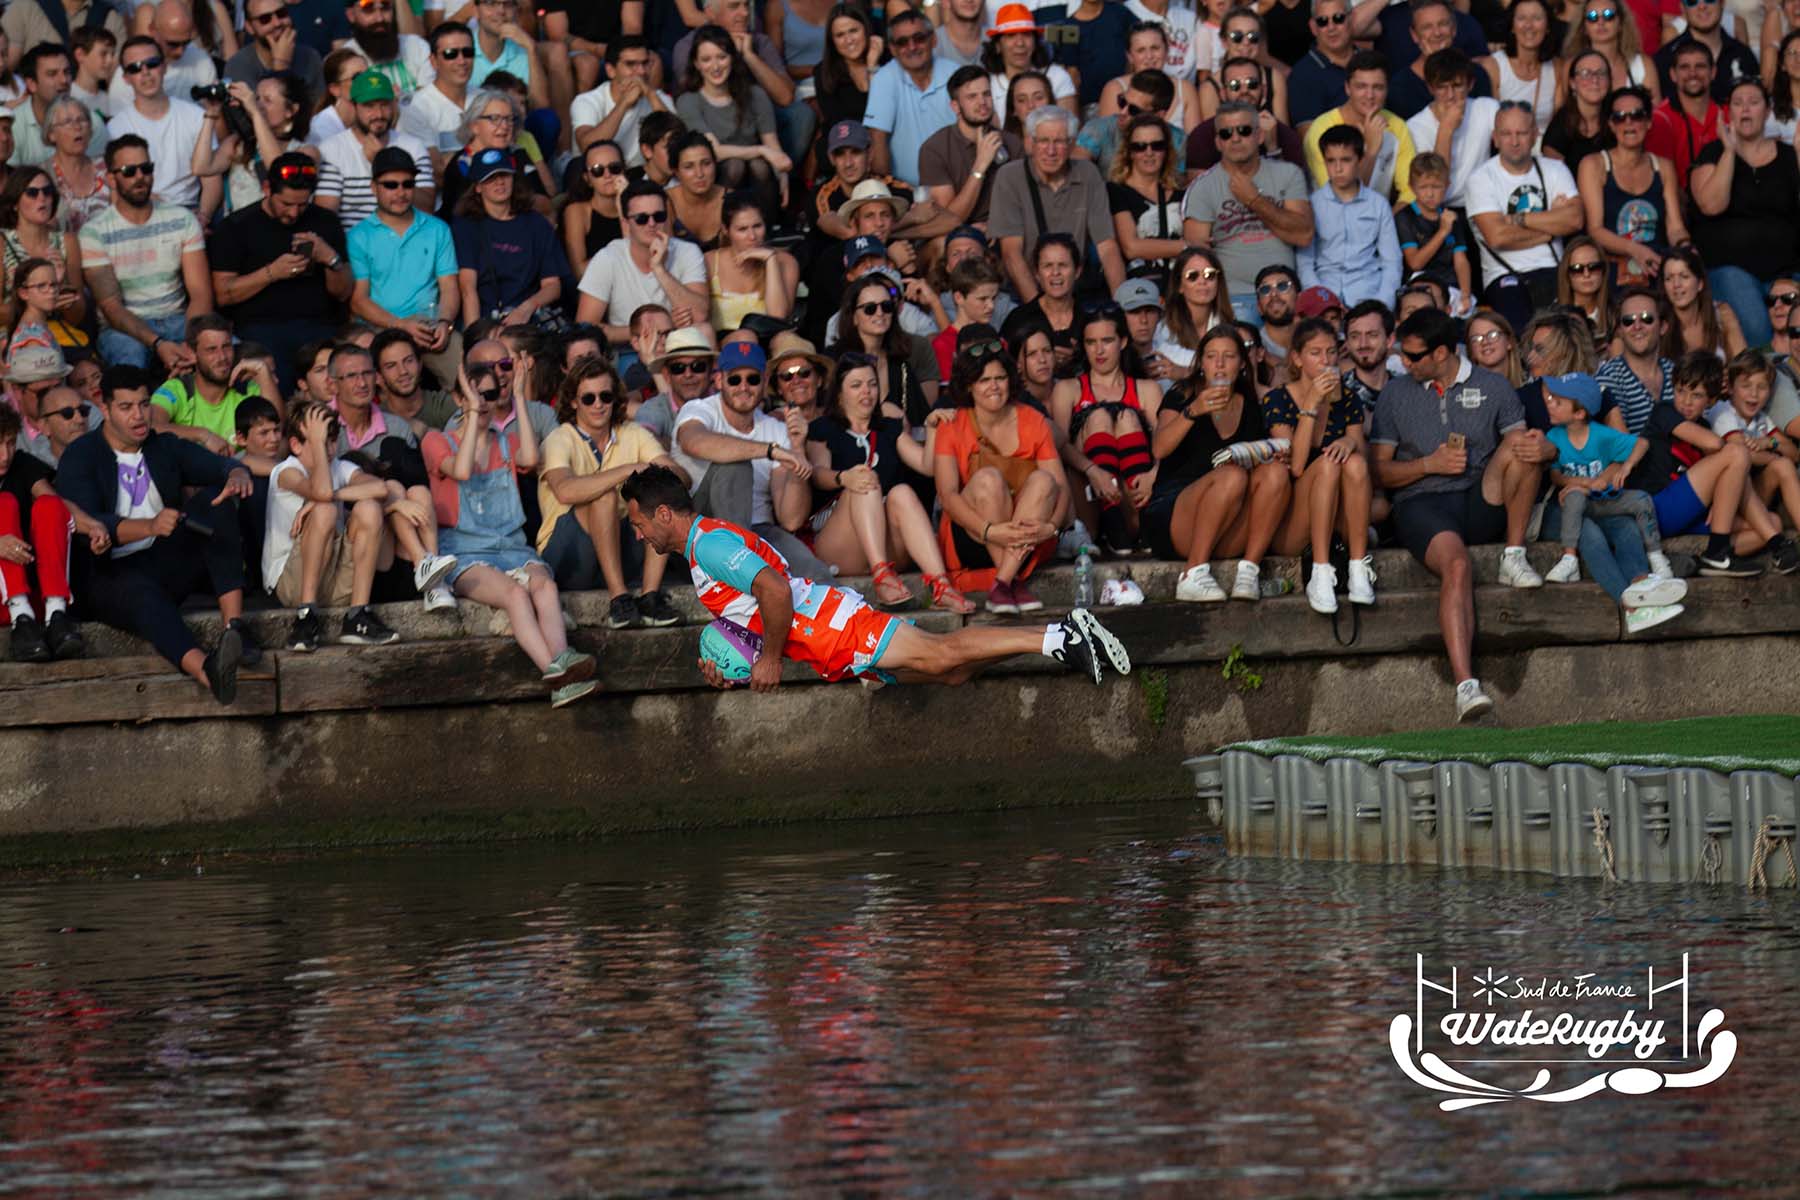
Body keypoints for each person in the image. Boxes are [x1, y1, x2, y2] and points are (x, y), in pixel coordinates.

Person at [622, 462, 1127, 690]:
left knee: (943, 652)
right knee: (950, 671)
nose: (640, 535)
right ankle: (1059, 639)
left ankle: (1062, 634)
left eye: (639, 522)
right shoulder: (700, 547)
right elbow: (749, 613)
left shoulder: (707, 544)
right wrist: (730, 661)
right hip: (827, 642)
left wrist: (770, 660)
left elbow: (773, 589)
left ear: (664, 513)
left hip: (833, 628)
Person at [1371, 307, 1550, 721]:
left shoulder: (1493, 386)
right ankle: (1466, 686)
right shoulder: (1396, 394)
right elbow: (1376, 470)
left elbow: (1525, 451)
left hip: (1479, 497)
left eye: (1413, 356)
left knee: (1522, 446)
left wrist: (1544, 446)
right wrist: (1426, 466)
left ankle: (1514, 555)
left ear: (1441, 353)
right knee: (1456, 564)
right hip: (1422, 505)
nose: (1403, 362)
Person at [56, 365, 257, 703]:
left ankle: (234, 630)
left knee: (218, 501)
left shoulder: (162, 446)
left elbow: (216, 465)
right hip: (107, 574)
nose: (139, 416)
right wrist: (148, 527)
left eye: (144, 404)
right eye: (126, 407)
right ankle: (207, 671)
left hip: (165, 559)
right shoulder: (82, 455)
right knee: (140, 593)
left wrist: (236, 472)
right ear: (104, 408)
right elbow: (89, 522)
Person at [422, 360, 598, 706]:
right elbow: (459, 470)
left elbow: (531, 459)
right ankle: (553, 672)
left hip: (512, 547)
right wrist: (472, 414)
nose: (486, 402)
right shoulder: (436, 440)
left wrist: (518, 394)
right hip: (465, 551)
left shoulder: (507, 440)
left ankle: (564, 663)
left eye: (491, 394)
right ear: (460, 399)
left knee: (544, 586)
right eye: (477, 395)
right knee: (516, 596)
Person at [804, 354, 974, 612]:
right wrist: (844, 477)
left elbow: (927, 467)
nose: (867, 392)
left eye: (872, 384)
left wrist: (931, 429)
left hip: (887, 541)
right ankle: (881, 577)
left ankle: (941, 586)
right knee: (864, 481)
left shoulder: (889, 427)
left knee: (902, 492)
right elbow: (817, 473)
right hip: (839, 540)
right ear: (839, 394)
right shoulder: (823, 428)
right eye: (856, 385)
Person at [536, 354, 683, 627]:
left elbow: (680, 479)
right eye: (588, 398)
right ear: (573, 401)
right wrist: (629, 470)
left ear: (615, 398)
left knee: (660, 494)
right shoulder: (560, 437)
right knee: (603, 497)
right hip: (567, 554)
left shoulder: (632, 432)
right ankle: (619, 600)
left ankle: (650, 597)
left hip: (622, 548)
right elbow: (565, 491)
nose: (598, 405)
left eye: (605, 396)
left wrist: (645, 489)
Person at [1148, 325, 1291, 600]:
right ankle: (1193, 574)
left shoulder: (1251, 403)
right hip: (1176, 512)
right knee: (1231, 475)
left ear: (1242, 363)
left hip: (1227, 517)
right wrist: (1193, 411)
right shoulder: (1183, 394)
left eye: (1229, 356)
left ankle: (1249, 572)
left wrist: (1274, 453)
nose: (1220, 364)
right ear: (1201, 363)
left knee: (1275, 472)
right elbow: (1160, 448)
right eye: (1212, 356)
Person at [264, 400, 419, 650]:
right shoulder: (286, 471)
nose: (327, 448)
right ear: (296, 445)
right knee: (324, 510)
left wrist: (333, 496)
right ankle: (305, 616)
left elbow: (380, 487)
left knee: (368, 507)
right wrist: (324, 498)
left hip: (335, 581)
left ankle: (357, 615)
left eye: (331, 439)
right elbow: (321, 492)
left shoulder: (342, 467)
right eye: (318, 440)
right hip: (292, 584)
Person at [672, 338, 832, 580]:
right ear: (718, 381)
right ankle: (737, 574)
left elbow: (791, 519)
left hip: (758, 532)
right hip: (701, 529)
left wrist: (797, 449)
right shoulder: (699, 409)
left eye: (753, 379)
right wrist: (769, 450)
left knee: (814, 574)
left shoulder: (775, 429)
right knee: (735, 467)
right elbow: (693, 441)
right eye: (735, 379)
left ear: (765, 382)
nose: (744, 387)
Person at [932, 340, 1065, 612]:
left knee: (1044, 480)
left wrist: (1050, 528)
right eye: (984, 380)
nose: (994, 386)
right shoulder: (952, 425)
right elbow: (947, 496)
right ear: (969, 385)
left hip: (1029, 534)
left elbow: (1060, 488)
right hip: (975, 535)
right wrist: (990, 530)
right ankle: (1011, 583)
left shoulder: (1032, 419)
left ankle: (1003, 583)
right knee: (988, 479)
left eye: (1000, 378)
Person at [1537, 370, 1682, 610]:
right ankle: (1630, 606)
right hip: (1568, 509)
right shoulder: (1553, 436)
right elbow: (1555, 475)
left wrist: (1624, 467)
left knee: (1627, 526)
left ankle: (1644, 581)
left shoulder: (1600, 434)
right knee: (1589, 531)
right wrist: (1583, 484)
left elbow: (1641, 443)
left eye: (1558, 401)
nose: (1550, 404)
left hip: (1601, 503)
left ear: (1580, 413)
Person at [208, 153, 352, 394]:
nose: (294, 213)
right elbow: (223, 294)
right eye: (286, 204)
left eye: (302, 204)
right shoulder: (236, 227)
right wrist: (271, 273)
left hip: (317, 326)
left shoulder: (325, 222)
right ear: (266, 189)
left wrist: (330, 258)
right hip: (260, 328)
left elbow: (343, 292)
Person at [1628, 349, 1782, 572]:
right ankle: (1718, 550)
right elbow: (1714, 445)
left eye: (1696, 395)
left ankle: (1703, 559)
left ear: (1710, 400)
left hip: (1689, 514)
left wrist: (1717, 503)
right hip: (1655, 509)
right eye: (1680, 391)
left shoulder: (1706, 425)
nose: (1686, 402)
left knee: (1772, 524)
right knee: (1735, 453)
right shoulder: (1664, 411)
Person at [1260, 316, 1376, 612]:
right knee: (1327, 464)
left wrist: (1350, 442)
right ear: (1297, 359)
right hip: (1294, 519)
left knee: (1353, 463)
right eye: (1315, 353)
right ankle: (1321, 572)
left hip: (1340, 512)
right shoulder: (1278, 399)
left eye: (1331, 352)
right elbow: (1296, 467)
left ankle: (1358, 567)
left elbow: (1363, 468)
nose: (1326, 361)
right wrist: (1310, 405)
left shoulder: (1347, 399)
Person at [81, 134, 211, 374]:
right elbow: (112, 308)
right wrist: (158, 343)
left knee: (224, 353)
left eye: (146, 168)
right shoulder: (94, 232)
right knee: (130, 364)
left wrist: (191, 343)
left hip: (178, 320)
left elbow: (201, 293)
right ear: (111, 178)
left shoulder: (181, 219)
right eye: (129, 171)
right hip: (123, 328)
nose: (140, 176)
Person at [1690, 79, 1800, 350]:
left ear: (1767, 110)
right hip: (1731, 267)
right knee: (1758, 331)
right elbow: (1711, 205)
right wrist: (1730, 151)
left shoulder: (1788, 155)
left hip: (1787, 267)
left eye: (1753, 102)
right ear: (1729, 113)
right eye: (1737, 104)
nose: (1745, 110)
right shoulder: (1713, 153)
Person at [1183, 99, 1313, 325]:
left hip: (1284, 291)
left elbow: (1303, 235)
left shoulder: (1288, 174)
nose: (1235, 138)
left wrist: (1253, 199)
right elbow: (1199, 256)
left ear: (1259, 136)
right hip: (1233, 297)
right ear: (1218, 142)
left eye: (1244, 131)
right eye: (1226, 133)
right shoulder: (1202, 187)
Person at [347, 145, 459, 386]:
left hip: (429, 325)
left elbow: (449, 287)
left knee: (467, 380)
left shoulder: (437, 229)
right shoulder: (358, 236)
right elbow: (358, 300)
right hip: (380, 327)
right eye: (390, 185)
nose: (400, 192)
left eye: (407, 184)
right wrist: (400, 325)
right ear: (373, 187)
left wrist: (444, 322)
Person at [1465, 103, 1583, 329]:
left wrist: (1518, 220)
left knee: (1569, 330)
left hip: (1553, 269)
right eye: (1506, 134)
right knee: (1524, 333)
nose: (1515, 141)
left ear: (1535, 135)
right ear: (1495, 138)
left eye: (1521, 133)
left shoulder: (1554, 169)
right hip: (1505, 275)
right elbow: (1498, 237)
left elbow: (1575, 220)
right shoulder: (1481, 179)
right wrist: (1550, 228)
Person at [675, 25, 790, 223]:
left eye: (722, 57)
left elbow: (772, 143)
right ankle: (724, 226)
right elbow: (714, 151)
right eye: (706, 59)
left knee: (760, 166)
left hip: (756, 175)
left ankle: (769, 225)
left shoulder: (755, 95)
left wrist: (782, 174)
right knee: (736, 166)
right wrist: (761, 150)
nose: (716, 66)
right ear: (696, 63)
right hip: (719, 175)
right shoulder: (688, 101)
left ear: (732, 59)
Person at [0, 403, 87, 662]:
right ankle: (20, 617)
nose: (5, 455)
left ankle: (56, 615)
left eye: (10, 443)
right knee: (3, 504)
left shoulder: (22, 464)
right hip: (5, 603)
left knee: (49, 506)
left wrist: (92, 526)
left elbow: (53, 502)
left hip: (36, 595)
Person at [574, 177, 705, 350]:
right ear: (626, 223)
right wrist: (649, 331)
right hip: (629, 349)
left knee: (705, 330)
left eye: (659, 216)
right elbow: (585, 329)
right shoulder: (608, 257)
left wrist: (659, 269)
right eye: (642, 219)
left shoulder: (688, 251)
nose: (652, 224)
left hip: (677, 346)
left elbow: (700, 315)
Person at [451, 147, 565, 330]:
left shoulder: (536, 224)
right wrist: (474, 340)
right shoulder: (466, 227)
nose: (499, 183)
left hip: (529, 321)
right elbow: (468, 290)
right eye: (490, 178)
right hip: (486, 319)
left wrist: (526, 308)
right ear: (478, 187)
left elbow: (552, 285)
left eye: (504, 175)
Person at [106, 35, 214, 218]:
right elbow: (118, 189)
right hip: (142, 213)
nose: (145, 72)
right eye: (135, 68)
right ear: (125, 78)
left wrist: (203, 218)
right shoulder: (115, 128)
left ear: (164, 67)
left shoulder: (196, 115)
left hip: (193, 212)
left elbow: (212, 177)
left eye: (152, 63)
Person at [314, 69, 433, 233]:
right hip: (352, 248)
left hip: (404, 243)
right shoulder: (332, 149)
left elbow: (427, 208)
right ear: (354, 106)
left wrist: (383, 164)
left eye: (384, 105)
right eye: (369, 106)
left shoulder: (414, 148)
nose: (378, 114)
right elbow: (325, 216)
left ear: (393, 105)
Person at [1296, 125, 1399, 308]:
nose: (1338, 168)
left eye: (1345, 160)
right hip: (1324, 297)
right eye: (1331, 161)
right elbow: (1305, 262)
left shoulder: (1378, 204)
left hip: (1369, 295)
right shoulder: (1312, 204)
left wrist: (1382, 303)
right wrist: (1321, 300)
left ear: (1360, 160)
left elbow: (1392, 261)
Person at [149, 314, 278, 453]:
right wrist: (203, 435)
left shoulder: (247, 386)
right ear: (191, 353)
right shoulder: (178, 389)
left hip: (243, 469)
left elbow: (278, 428)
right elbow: (152, 425)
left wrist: (263, 371)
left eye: (227, 347)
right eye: (211, 349)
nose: (222, 357)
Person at [1299, 51, 1416, 204]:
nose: (1369, 95)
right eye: (1361, 87)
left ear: (1387, 90)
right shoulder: (1322, 129)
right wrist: (1371, 151)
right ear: (1347, 88)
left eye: (1378, 87)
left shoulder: (1397, 126)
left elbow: (1411, 192)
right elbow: (1341, 198)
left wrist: (1388, 221)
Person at [919, 64, 1021, 230]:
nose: (982, 102)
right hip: (956, 234)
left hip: (1003, 230)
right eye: (972, 97)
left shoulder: (1012, 142)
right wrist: (980, 166)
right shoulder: (934, 149)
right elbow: (947, 220)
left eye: (986, 94)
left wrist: (995, 226)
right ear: (955, 107)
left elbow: (1021, 202)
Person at [1711, 348, 1800, 535]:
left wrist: (1769, 443)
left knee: (1783, 465)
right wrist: (1773, 456)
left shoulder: (1761, 419)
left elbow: (1793, 453)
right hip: (1725, 502)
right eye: (1746, 385)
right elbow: (1743, 455)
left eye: (1762, 387)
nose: (1754, 394)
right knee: (1780, 464)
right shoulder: (1723, 412)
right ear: (1731, 387)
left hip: (1752, 497)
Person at [865, 7, 957, 188]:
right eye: (902, 42)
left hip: (956, 184)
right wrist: (888, 191)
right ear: (892, 49)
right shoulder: (884, 78)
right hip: (905, 190)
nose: (912, 47)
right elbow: (878, 139)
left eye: (919, 38)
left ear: (934, 39)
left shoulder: (956, 73)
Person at [1186, 54, 1307, 172]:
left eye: (1252, 84)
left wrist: (1273, 149)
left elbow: (1292, 189)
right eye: (1235, 85)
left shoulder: (1285, 135)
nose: (1244, 91)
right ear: (1222, 94)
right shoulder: (1203, 135)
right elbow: (1197, 189)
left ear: (1264, 91)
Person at [570, 36, 672, 168]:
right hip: (601, 176)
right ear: (610, 70)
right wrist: (623, 104)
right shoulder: (587, 101)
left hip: (643, 178)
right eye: (630, 64)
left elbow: (677, 142)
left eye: (645, 63)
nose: (641, 72)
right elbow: (587, 146)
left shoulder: (659, 99)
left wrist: (650, 94)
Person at [1393, 153, 1473, 314]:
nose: (1430, 194)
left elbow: (1461, 261)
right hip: (1420, 287)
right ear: (1412, 187)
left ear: (1447, 185)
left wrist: (1465, 294)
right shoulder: (1405, 217)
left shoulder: (1451, 217)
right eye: (1423, 187)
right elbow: (1415, 263)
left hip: (1451, 288)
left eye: (1436, 187)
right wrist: (1442, 232)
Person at [705, 193, 798, 331]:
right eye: (742, 229)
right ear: (726, 230)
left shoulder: (786, 262)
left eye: (757, 226)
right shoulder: (709, 261)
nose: (752, 236)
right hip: (722, 345)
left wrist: (771, 260)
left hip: (768, 343)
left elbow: (778, 317)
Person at [399, 22, 476, 175]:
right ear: (433, 61)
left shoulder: (487, 100)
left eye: (467, 52)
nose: (462, 61)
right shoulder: (416, 109)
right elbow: (437, 172)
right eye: (450, 54)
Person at [1645, 40, 1721, 191]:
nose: (1692, 74)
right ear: (1673, 74)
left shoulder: (1728, 114)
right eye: (1684, 67)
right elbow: (1661, 182)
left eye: (1700, 66)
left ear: (1713, 72)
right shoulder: (1660, 119)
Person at [982, 4, 1079, 121]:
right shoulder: (987, 85)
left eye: (1026, 35)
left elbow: (1070, 132)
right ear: (997, 46)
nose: (1020, 43)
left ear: (1035, 42)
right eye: (1011, 35)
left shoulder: (1057, 77)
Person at [1102, 19, 1201, 130]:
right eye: (1141, 50)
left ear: (1167, 50)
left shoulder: (1185, 89)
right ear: (1130, 57)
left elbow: (1193, 140)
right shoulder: (1115, 89)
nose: (1149, 56)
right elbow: (1108, 139)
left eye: (1155, 48)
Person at [1655, 0, 1758, 104]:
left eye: (1709, 0)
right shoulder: (1665, 60)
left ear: (1722, 3)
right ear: (1682, 8)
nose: (1702, 6)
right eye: (1692, 1)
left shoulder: (1745, 56)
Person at [1480, 0, 1559, 131]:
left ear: (1548, 27)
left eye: (1537, 18)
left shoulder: (1557, 68)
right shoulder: (1493, 67)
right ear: (1512, 26)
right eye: (1521, 18)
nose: (1529, 25)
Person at [1659, 243, 1747, 359]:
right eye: (1669, 278)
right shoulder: (1657, 322)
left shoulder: (1722, 313)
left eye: (1684, 276)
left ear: (1700, 284)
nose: (1676, 284)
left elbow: (1743, 362)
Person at [1562, 0, 1659, 104]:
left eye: (1608, 15)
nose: (1601, 22)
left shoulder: (1643, 65)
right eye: (1592, 17)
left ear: (1621, 23)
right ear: (1584, 27)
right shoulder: (1571, 67)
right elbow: (1567, 115)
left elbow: (1655, 115)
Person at [634, 326, 717, 447]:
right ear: (667, 375)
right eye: (678, 368)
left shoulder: (728, 402)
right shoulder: (654, 408)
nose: (688, 374)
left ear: (711, 370)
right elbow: (642, 442)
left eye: (698, 366)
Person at [227, 0, 327, 99]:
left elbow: (318, 112)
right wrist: (281, 66)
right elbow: (268, 113)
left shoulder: (310, 57)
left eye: (281, 13)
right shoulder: (238, 66)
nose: (277, 23)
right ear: (249, 27)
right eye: (265, 19)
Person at [814, 3, 880, 150]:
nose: (849, 40)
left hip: (885, 139)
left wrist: (872, 68)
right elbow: (838, 125)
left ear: (866, 30)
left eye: (853, 31)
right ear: (832, 41)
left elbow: (886, 115)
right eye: (840, 35)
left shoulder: (887, 60)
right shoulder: (824, 71)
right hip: (846, 144)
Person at [1152, 245, 1226, 376]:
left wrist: (1184, 372)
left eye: (1210, 275)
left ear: (1218, 281)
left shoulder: (1232, 326)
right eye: (1192, 276)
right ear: (1179, 285)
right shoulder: (1163, 330)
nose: (1202, 281)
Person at [341, 0, 434, 102]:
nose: (379, 18)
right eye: (368, 9)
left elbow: (430, 99)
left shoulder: (417, 46)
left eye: (385, 7)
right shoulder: (346, 59)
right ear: (351, 15)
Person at [45, 95, 108, 236]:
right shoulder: (42, 175)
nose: (77, 127)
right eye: (67, 122)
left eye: (82, 120)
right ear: (51, 134)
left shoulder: (106, 169)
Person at [1288, 0, 1356, 128]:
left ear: (1351, 19)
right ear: (1313, 27)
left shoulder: (1371, 61)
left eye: (1338, 18)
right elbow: (1308, 139)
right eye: (1322, 21)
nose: (1331, 27)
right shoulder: (1302, 75)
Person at [1543, 48, 1613, 169]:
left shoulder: (1618, 118)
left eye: (1601, 73)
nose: (1595, 80)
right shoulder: (1560, 125)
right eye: (1586, 73)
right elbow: (1556, 177)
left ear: (1609, 81)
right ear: (1572, 83)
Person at [309, 48, 371, 146]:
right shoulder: (320, 129)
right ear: (335, 89)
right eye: (357, 77)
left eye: (369, 74)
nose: (367, 81)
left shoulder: (375, 115)